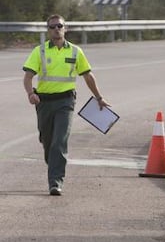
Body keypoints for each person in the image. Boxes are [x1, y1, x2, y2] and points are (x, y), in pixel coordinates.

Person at [22, 14, 109, 196]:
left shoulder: (76, 51)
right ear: (48, 30)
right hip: (44, 103)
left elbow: (87, 76)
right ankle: (54, 164)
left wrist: (99, 97)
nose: (56, 29)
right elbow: (28, 77)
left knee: (59, 142)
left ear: (65, 28)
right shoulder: (40, 51)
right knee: (48, 142)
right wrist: (31, 93)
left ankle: (55, 182)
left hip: (66, 102)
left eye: (59, 26)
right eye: (52, 27)